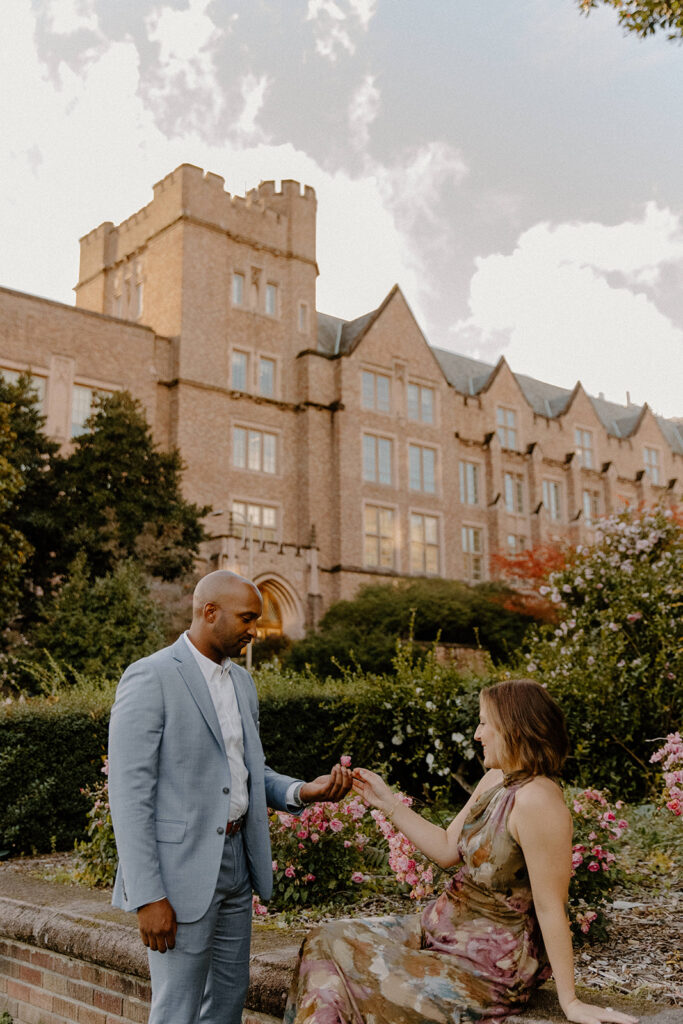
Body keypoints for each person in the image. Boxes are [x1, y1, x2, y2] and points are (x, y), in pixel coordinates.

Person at [284, 678, 639, 1024]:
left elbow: (550, 906)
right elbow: (445, 849)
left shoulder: (538, 801)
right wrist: (385, 801)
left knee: (343, 969)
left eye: (484, 722)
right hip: (437, 929)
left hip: (483, 967)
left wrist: (571, 1001)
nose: (476, 734)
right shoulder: (495, 779)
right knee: (325, 939)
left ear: (514, 727)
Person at [108, 570, 352, 1024]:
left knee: (226, 1005)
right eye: (246, 618)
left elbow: (248, 772)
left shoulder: (243, 683)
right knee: (176, 1011)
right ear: (209, 611)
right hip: (178, 877)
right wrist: (148, 895)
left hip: (238, 866)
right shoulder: (151, 676)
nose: (253, 630)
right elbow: (128, 795)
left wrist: (303, 790)